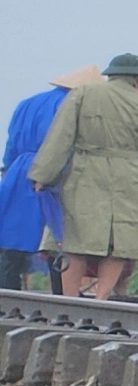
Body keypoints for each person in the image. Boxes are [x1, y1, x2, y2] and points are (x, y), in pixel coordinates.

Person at [30, 54, 138, 299]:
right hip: (127, 176)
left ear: (110, 75)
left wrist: (43, 175)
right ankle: (101, 300)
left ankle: (71, 300)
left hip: (84, 172)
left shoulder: (82, 95)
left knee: (74, 239)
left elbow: (60, 137)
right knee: (119, 243)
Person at [0, 71, 84, 293]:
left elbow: (10, 147)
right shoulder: (71, 106)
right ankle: (60, 297)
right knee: (56, 242)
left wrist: (10, 170)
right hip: (53, 173)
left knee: (12, 241)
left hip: (18, 171)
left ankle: (7, 299)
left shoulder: (26, 103)